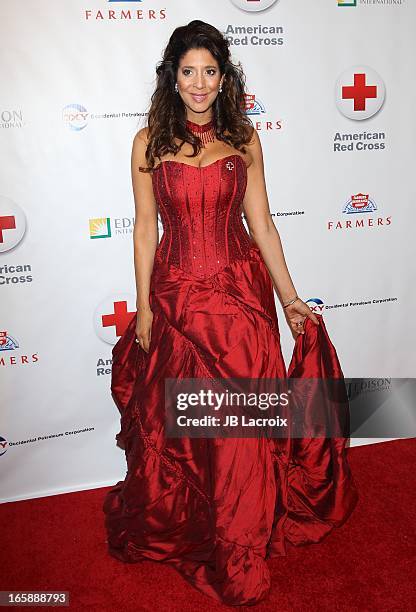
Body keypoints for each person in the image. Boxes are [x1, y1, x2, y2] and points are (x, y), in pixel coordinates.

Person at [103, 20, 358, 607]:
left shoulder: (244, 140)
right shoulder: (147, 142)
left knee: (241, 420)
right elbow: (145, 229)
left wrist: (290, 296)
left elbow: (261, 224)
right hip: (175, 300)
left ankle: (241, 534)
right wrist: (143, 305)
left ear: (225, 78)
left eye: (209, 72)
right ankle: (199, 522)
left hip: (240, 297)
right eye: (188, 71)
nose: (199, 83)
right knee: (189, 423)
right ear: (173, 77)